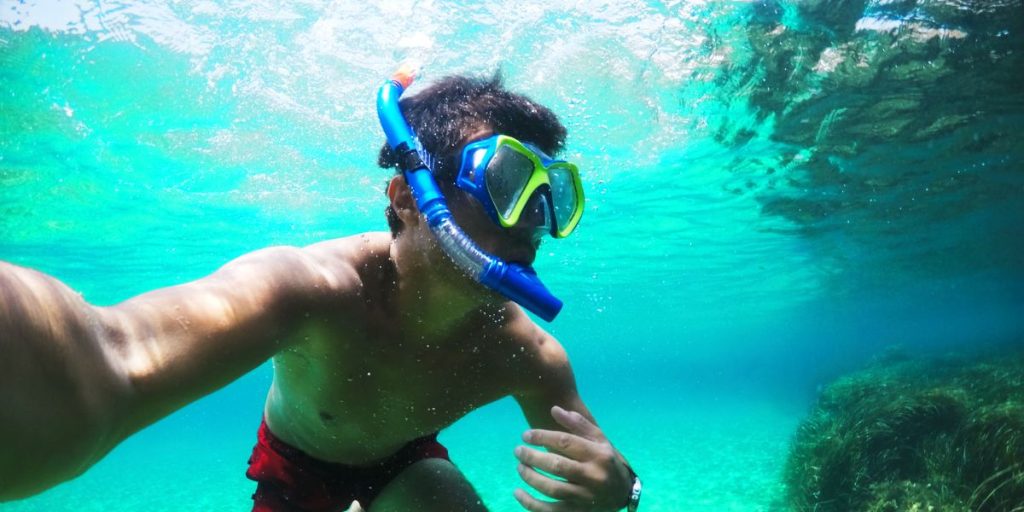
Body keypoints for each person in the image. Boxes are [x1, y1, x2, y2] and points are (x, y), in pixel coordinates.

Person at [0, 72, 641, 511]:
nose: (532, 221)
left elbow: (609, 469)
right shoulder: (312, 288)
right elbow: (113, 355)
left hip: (406, 463)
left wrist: (622, 494)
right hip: (296, 464)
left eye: (551, 196)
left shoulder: (527, 355)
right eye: (505, 182)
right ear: (405, 199)